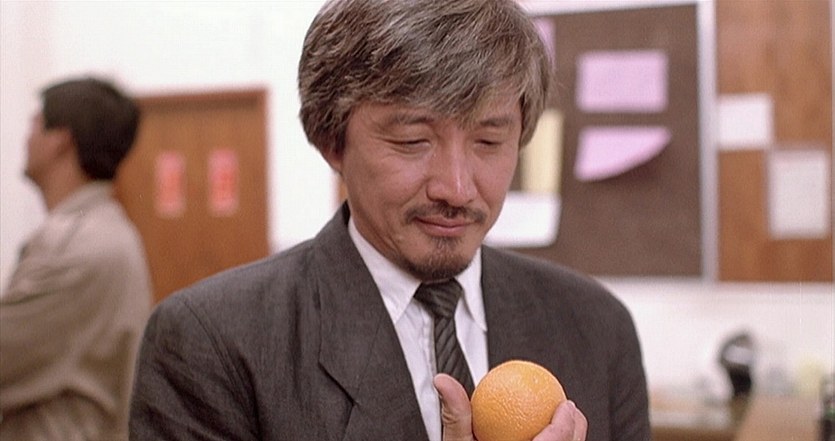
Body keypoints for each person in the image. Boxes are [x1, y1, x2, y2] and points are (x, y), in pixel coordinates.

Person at [129, 0, 650, 440]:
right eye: (412, 141)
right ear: (333, 141)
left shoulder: (596, 328)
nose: (456, 188)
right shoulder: (214, 343)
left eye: (489, 141)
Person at [0, 77, 152, 440]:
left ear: (61, 140)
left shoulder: (78, 247)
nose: (26, 138)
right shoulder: (105, 231)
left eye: (35, 124)